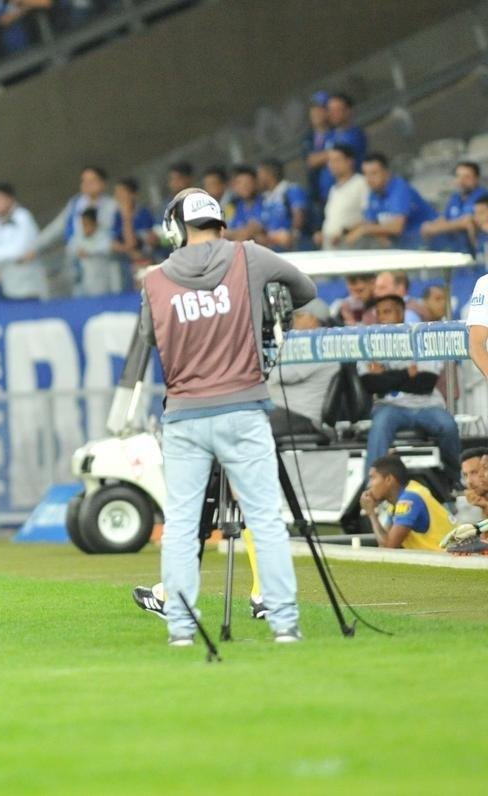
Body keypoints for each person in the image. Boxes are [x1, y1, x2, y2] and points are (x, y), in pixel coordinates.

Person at [138, 187, 316, 645]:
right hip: (243, 406)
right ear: (220, 223)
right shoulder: (248, 257)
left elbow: (151, 337)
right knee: (265, 518)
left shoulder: (155, 279)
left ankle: (181, 629)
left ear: (177, 229)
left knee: (181, 524)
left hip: (184, 413)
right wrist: (258, 313)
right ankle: (284, 624)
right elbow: (305, 290)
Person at [357, 294, 460, 488]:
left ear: (401, 313)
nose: (381, 317)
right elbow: (370, 385)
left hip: (427, 405)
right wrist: (406, 373)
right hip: (390, 407)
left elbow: (425, 383)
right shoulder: (370, 342)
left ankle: (453, 478)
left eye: (387, 312)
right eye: (378, 313)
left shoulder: (420, 338)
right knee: (379, 426)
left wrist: (386, 377)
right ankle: (371, 487)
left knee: (448, 425)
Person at [266, 299, 340, 435]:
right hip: (280, 410)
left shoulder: (320, 347)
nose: (293, 321)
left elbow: (278, 375)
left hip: (299, 414)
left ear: (314, 319)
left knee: (249, 427)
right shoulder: (301, 343)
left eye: (299, 316)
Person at [360, 455, 454, 550]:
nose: (369, 485)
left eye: (373, 478)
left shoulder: (409, 499)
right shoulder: (396, 503)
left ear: (389, 479)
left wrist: (371, 513)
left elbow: (388, 546)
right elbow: (385, 540)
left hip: (450, 556)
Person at [345, 153, 436, 249]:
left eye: (374, 173)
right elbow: (371, 222)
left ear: (386, 172)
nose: (369, 179)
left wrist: (364, 229)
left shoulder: (400, 189)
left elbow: (397, 227)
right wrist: (351, 230)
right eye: (365, 174)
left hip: (429, 244)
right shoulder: (374, 193)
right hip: (405, 246)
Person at [0, 182, 41, 299]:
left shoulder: (23, 216)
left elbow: (19, 250)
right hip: (5, 284)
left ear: (10, 199)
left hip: (28, 285)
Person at [421, 161, 486, 252]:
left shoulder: (483, 197)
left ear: (476, 179)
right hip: (457, 249)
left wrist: (437, 228)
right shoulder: (455, 197)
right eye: (458, 176)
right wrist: (430, 227)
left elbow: (469, 222)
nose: (461, 181)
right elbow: (445, 218)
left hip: (478, 250)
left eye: (467, 177)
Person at [315, 144, 369, 250]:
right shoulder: (333, 189)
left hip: (352, 247)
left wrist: (345, 232)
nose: (332, 165)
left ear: (349, 161)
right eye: (330, 161)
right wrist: (322, 234)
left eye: (337, 160)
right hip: (330, 248)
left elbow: (369, 217)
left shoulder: (361, 183)